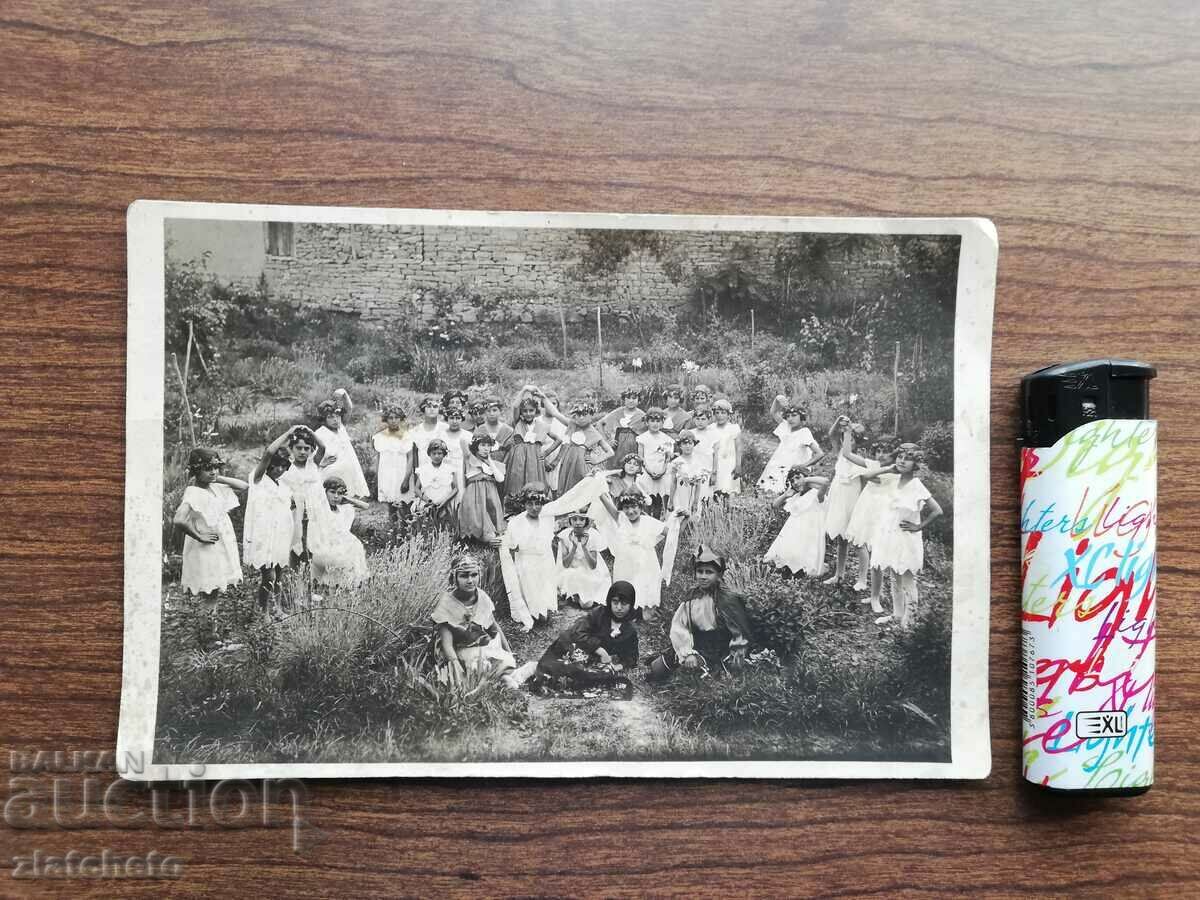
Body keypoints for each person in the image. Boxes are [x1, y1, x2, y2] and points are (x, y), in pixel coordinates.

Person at [859, 444, 943, 628]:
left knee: (906, 578)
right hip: (889, 535)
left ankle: (909, 621)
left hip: (906, 538)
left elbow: (937, 510)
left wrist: (918, 526)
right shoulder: (892, 479)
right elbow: (865, 477)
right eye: (900, 456)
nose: (902, 461)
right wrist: (889, 468)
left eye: (908, 458)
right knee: (893, 575)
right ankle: (897, 615)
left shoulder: (916, 485)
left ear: (916, 464)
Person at [172, 449, 249, 635]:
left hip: (220, 545)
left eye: (215, 467)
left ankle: (211, 629)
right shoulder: (193, 492)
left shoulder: (215, 487)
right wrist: (199, 536)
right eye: (207, 469)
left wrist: (218, 478)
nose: (213, 472)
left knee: (214, 589)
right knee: (210, 591)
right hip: (206, 547)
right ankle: (209, 634)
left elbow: (244, 485)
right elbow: (179, 519)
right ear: (196, 471)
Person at [648, 545, 753, 680]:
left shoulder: (728, 599)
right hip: (696, 642)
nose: (703, 576)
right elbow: (679, 625)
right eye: (700, 571)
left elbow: (740, 634)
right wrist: (687, 652)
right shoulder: (692, 596)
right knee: (657, 670)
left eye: (709, 572)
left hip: (719, 647)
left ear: (719, 575)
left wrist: (736, 661)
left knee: (696, 676)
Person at [531, 581, 639, 690]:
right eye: (615, 602)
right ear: (609, 601)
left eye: (624, 604)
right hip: (574, 645)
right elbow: (578, 633)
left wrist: (617, 667)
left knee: (597, 676)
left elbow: (631, 657)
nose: (619, 608)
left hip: (592, 658)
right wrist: (600, 650)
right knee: (559, 669)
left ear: (631, 604)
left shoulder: (630, 630)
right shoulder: (599, 614)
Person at [431, 554, 518, 687]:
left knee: (499, 661)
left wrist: (508, 652)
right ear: (454, 578)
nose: (470, 580)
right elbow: (447, 644)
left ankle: (501, 678)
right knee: (471, 672)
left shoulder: (481, 597)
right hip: (458, 652)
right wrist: (456, 668)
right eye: (464, 576)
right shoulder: (446, 603)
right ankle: (488, 680)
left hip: (479, 646)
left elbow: (494, 628)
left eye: (474, 575)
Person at [842, 434, 900, 610]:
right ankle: (863, 580)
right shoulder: (876, 465)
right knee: (859, 542)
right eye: (879, 451)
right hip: (866, 505)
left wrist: (888, 468)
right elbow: (847, 454)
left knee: (878, 552)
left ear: (894, 454)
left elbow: (870, 476)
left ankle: (876, 597)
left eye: (886, 452)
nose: (881, 455)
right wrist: (847, 432)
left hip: (882, 509)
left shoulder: (898, 470)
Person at [243, 436, 296, 615]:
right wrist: (288, 434)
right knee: (269, 575)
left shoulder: (283, 485)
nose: (279, 470)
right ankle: (263, 611)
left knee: (280, 573)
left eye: (283, 466)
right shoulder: (257, 479)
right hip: (263, 534)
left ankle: (278, 608)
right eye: (276, 465)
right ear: (269, 465)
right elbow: (268, 453)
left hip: (280, 533)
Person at [500, 482, 560, 631]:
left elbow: (570, 501)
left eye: (538, 504)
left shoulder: (547, 518)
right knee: (538, 617)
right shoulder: (516, 522)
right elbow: (510, 545)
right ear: (524, 504)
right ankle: (530, 607)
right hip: (527, 565)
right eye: (530, 504)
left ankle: (544, 606)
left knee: (544, 615)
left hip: (545, 562)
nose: (534, 508)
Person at [598, 487, 667, 614]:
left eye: (634, 506)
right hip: (625, 564)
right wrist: (597, 481)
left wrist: (681, 519)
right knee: (626, 596)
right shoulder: (621, 518)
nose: (630, 511)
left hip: (645, 564)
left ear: (641, 506)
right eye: (626, 507)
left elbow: (670, 532)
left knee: (647, 610)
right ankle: (629, 604)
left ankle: (644, 605)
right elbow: (603, 499)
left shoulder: (649, 522)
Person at [822, 415, 866, 586]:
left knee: (857, 540)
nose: (847, 440)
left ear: (858, 441)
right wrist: (839, 420)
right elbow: (831, 434)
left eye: (852, 438)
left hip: (852, 500)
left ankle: (862, 579)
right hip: (839, 497)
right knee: (841, 538)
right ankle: (839, 575)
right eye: (846, 437)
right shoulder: (841, 452)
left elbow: (864, 484)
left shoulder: (860, 458)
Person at [763, 465, 829, 577]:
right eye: (792, 480)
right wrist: (785, 495)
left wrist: (805, 480)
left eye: (798, 477)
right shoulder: (796, 496)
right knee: (784, 557)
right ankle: (788, 566)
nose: (795, 482)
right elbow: (775, 505)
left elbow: (826, 482)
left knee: (805, 564)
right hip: (793, 532)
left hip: (810, 533)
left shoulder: (816, 494)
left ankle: (799, 568)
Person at [278, 425, 330, 562]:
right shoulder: (286, 467)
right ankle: (296, 573)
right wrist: (290, 432)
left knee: (315, 541)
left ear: (311, 450)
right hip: (295, 510)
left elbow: (323, 447)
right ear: (291, 449)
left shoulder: (313, 464)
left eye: (306, 448)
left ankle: (313, 573)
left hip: (315, 509)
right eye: (298, 448)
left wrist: (310, 431)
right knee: (295, 541)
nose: (302, 452)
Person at [308, 476, 369, 589]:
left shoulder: (344, 509)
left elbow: (365, 506)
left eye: (339, 493)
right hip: (324, 545)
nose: (336, 496)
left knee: (355, 547)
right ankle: (333, 585)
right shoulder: (321, 508)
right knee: (346, 552)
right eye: (332, 492)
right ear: (324, 492)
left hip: (341, 544)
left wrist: (346, 499)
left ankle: (347, 586)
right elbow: (314, 495)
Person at [757, 398, 824, 494]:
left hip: (793, 468)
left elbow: (819, 453)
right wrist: (777, 399)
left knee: (789, 492)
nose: (790, 419)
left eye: (794, 415)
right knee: (771, 490)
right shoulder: (786, 427)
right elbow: (774, 412)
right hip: (779, 464)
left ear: (801, 417)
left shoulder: (804, 432)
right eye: (788, 416)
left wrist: (804, 465)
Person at [313, 388, 369, 498]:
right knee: (331, 498)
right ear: (323, 419)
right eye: (330, 417)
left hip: (347, 471)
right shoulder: (320, 433)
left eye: (337, 416)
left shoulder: (341, 429)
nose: (335, 420)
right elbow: (312, 455)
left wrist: (344, 393)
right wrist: (320, 463)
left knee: (346, 498)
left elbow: (349, 408)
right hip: (331, 472)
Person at [504, 395, 561, 501]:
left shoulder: (542, 425)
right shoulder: (517, 422)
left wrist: (545, 453)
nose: (528, 413)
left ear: (536, 411)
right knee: (517, 484)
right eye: (525, 411)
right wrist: (526, 390)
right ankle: (516, 510)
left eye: (531, 410)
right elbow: (515, 406)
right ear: (521, 412)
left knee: (534, 486)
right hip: (518, 459)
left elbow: (558, 440)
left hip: (534, 460)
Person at [556, 507, 611, 610]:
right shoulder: (565, 535)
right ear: (570, 520)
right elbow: (565, 564)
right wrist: (574, 547)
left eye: (581, 519)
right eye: (574, 519)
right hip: (572, 570)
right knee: (572, 575)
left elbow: (593, 565)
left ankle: (577, 594)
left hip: (589, 571)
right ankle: (573, 593)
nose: (578, 523)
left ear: (586, 521)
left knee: (587, 605)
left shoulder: (593, 535)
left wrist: (584, 547)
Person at [373, 401, 414, 540]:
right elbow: (379, 459)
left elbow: (410, 459)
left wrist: (406, 478)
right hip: (387, 475)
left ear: (401, 419)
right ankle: (393, 533)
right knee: (391, 505)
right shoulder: (379, 437)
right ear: (386, 419)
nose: (393, 420)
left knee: (404, 505)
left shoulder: (407, 436)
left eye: (397, 417)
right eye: (390, 418)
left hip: (401, 474)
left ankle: (406, 534)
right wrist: (377, 478)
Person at [554, 399, 612, 495]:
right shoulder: (572, 425)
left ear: (590, 415)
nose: (581, 418)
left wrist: (596, 460)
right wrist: (542, 396)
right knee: (567, 489)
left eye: (584, 414)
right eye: (578, 415)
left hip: (581, 464)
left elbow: (610, 452)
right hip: (568, 462)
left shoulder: (593, 432)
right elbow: (555, 413)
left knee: (580, 489)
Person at [458, 433, 506, 547]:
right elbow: (462, 440)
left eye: (489, 445)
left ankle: (491, 541)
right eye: (482, 445)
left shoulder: (492, 463)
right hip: (474, 493)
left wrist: (490, 461)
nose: (486, 448)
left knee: (492, 514)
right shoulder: (470, 458)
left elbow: (500, 479)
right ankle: (477, 541)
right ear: (476, 446)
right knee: (477, 516)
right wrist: (473, 443)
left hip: (490, 493)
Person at [636, 408, 675, 518]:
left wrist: (662, 471)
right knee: (647, 501)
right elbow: (640, 457)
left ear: (662, 422)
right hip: (647, 472)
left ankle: (657, 524)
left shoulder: (666, 439)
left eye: (658, 421)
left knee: (658, 501)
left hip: (661, 472)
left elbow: (668, 458)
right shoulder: (642, 438)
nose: (655, 424)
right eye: (652, 421)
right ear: (647, 422)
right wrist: (648, 471)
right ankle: (647, 523)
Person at [413, 438, 458, 530]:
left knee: (443, 525)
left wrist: (444, 501)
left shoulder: (450, 469)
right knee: (427, 524)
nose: (437, 456)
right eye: (434, 453)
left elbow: (455, 488)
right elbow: (417, 488)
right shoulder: (423, 469)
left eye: (439, 453)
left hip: (444, 501)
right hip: (428, 502)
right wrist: (427, 500)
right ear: (429, 454)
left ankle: (443, 539)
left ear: (444, 454)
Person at [668, 430, 711, 515]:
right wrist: (671, 500)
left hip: (693, 495)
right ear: (680, 445)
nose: (687, 446)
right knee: (679, 518)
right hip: (680, 496)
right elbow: (673, 483)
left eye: (690, 443)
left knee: (693, 518)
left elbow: (698, 484)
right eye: (684, 444)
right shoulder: (676, 463)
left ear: (693, 445)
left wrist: (695, 502)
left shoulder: (698, 462)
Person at [599, 388, 644, 467]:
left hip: (634, 450)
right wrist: (607, 440)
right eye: (628, 398)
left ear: (639, 400)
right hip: (617, 450)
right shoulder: (617, 412)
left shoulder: (642, 415)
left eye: (634, 398)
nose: (631, 401)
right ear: (624, 399)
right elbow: (600, 424)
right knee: (615, 472)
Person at [708, 398, 743, 500]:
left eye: (723, 413)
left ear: (728, 414)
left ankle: (728, 511)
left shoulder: (734, 428)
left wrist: (738, 465)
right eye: (717, 413)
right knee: (715, 488)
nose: (720, 415)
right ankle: (714, 511)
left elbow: (738, 447)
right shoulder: (711, 428)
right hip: (715, 463)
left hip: (729, 463)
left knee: (728, 488)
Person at [442, 406, 472, 509]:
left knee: (461, 494)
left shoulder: (468, 436)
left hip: (461, 469)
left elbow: (470, 457)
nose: (454, 421)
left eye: (458, 418)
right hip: (445, 468)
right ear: (447, 419)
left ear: (462, 419)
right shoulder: (441, 435)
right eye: (451, 418)